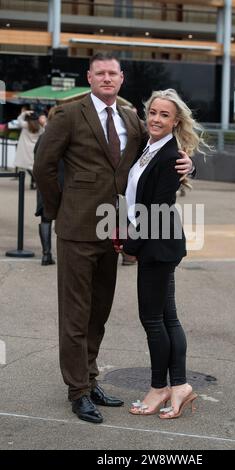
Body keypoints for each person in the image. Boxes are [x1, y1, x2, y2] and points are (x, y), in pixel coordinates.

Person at [33, 53, 193, 424]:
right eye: (100, 72)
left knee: (98, 313)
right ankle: (77, 391)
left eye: (113, 73)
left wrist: (189, 164)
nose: (107, 78)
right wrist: (60, 209)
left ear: (122, 79)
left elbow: (156, 157)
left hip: (114, 233)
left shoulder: (131, 119)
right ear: (89, 77)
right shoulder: (68, 115)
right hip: (76, 230)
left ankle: (90, 380)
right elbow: (44, 165)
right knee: (74, 314)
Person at [117, 89, 201, 419]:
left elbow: (157, 208)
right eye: (153, 112)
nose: (156, 118)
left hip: (157, 244)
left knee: (153, 319)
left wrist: (130, 245)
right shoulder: (148, 147)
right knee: (167, 317)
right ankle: (179, 386)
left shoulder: (169, 155)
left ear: (175, 120)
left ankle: (158, 388)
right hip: (158, 242)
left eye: (165, 115)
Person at [34, 107, 62, 266]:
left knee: (46, 218)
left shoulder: (44, 136)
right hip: (65, 181)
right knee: (66, 219)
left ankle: (46, 254)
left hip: (45, 182)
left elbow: (37, 159)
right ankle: (64, 254)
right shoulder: (69, 136)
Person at [14, 110, 44, 189]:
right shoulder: (40, 127)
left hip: (26, 149)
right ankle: (33, 182)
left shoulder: (26, 125)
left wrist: (24, 113)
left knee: (28, 167)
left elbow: (19, 119)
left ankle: (34, 181)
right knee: (33, 167)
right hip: (35, 149)